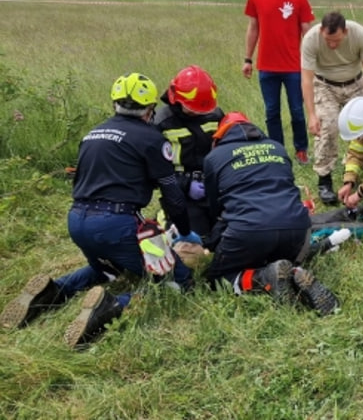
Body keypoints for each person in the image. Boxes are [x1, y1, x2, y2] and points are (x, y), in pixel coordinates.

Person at [0, 73, 202, 347]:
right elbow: (173, 196)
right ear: (150, 109)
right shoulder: (152, 139)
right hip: (116, 223)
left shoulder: (92, 134)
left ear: (115, 104)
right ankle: (111, 306)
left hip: (77, 220)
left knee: (107, 269)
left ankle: (52, 291)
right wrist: (185, 232)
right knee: (178, 283)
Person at [202, 112, 339, 315]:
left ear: (220, 136)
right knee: (281, 260)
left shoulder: (214, 157)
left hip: (249, 231)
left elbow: (215, 207)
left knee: (218, 280)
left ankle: (262, 277)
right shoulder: (277, 147)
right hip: (298, 229)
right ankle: (295, 273)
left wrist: (215, 240)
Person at [242, 0, 315, 164]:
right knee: (271, 112)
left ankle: (301, 150)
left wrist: (311, 64)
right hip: (266, 67)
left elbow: (308, 33)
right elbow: (253, 28)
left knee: (297, 111)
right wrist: (247, 59)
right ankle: (277, 151)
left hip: (293, 67)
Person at [301, 11, 363, 205]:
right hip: (325, 84)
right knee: (328, 126)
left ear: (346, 31)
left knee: (362, 128)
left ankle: (351, 172)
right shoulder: (311, 39)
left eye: (336, 40)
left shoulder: (359, 34)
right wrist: (311, 115)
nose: (332, 45)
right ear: (321, 31)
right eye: (328, 40)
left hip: (354, 82)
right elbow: (307, 79)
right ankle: (324, 180)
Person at [154, 65, 224, 248]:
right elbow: (156, 171)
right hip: (181, 192)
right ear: (176, 99)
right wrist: (185, 184)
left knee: (227, 234)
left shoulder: (214, 115)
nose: (198, 113)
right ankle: (164, 219)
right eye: (192, 108)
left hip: (214, 187)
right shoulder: (162, 123)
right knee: (198, 241)